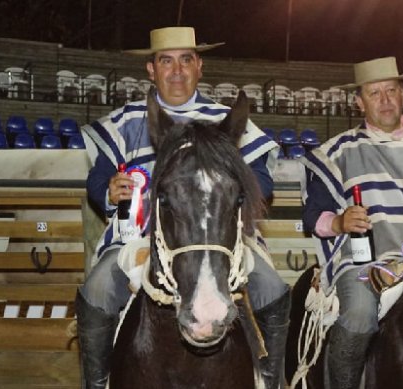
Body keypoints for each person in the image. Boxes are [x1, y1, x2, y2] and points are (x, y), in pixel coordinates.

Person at [76, 27, 290, 389]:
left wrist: (237, 186)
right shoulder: (126, 121)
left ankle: (270, 380)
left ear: (200, 66)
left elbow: (262, 180)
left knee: (273, 287)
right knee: (96, 289)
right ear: (151, 69)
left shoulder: (225, 120)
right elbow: (97, 179)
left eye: (186, 60)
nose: (177, 70)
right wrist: (108, 189)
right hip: (139, 238)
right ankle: (96, 383)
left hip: (219, 237)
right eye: (166, 61)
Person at [300, 57, 403, 389]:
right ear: (359, 102)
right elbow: (313, 215)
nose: (385, 100)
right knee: (359, 314)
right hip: (365, 262)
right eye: (375, 93)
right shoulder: (337, 152)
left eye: (391, 90)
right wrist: (340, 222)